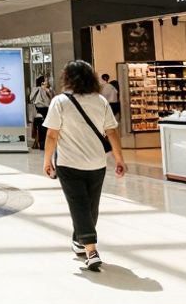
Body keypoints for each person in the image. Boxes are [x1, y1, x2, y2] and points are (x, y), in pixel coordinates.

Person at [43, 60, 126, 271]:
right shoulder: (100, 101)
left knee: (79, 205)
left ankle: (91, 250)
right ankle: (79, 241)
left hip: (69, 164)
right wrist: (119, 159)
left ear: (67, 78)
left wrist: (47, 161)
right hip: (97, 163)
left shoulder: (60, 101)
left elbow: (52, 135)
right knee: (91, 205)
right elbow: (112, 132)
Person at [30, 76, 53, 150]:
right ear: (42, 82)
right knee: (44, 127)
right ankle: (43, 144)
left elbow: (31, 98)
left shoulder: (36, 89)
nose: (48, 82)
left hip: (38, 110)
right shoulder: (42, 90)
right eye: (46, 81)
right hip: (43, 109)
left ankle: (41, 143)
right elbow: (46, 101)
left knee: (40, 128)